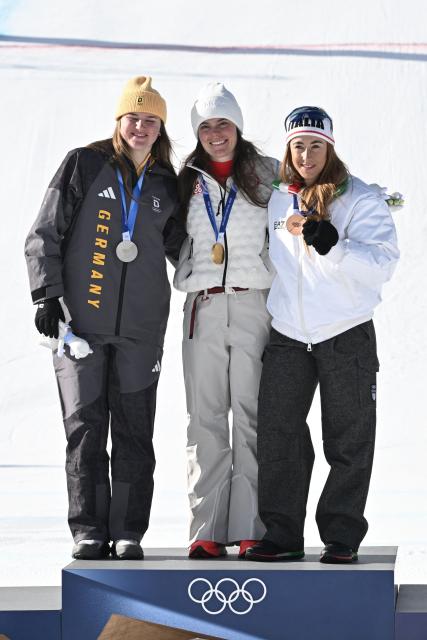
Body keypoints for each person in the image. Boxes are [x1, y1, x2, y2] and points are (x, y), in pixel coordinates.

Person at [25, 76, 186, 560]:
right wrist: (46, 295)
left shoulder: (166, 184)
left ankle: (130, 530)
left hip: (141, 332)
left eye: (151, 120)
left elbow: (185, 249)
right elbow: (44, 232)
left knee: (136, 432)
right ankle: (88, 529)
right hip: (81, 329)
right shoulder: (85, 163)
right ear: (119, 121)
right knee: (86, 430)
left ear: (161, 128)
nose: (141, 126)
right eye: (133, 117)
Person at [245, 106, 400, 563]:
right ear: (288, 152)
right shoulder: (278, 200)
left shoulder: (360, 198)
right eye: (298, 146)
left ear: (329, 147)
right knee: (278, 434)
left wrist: (335, 246)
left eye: (315, 145)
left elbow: (383, 264)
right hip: (289, 334)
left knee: (348, 436)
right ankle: (283, 533)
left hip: (345, 332)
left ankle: (341, 535)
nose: (306, 154)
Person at [174, 82, 279, 559]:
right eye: (206, 126)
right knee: (206, 418)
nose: (216, 134)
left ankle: (254, 526)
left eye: (224, 124)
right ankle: (208, 528)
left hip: (254, 302)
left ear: (238, 126)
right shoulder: (184, 179)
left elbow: (309, 206)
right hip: (204, 308)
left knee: (253, 416)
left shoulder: (269, 174)